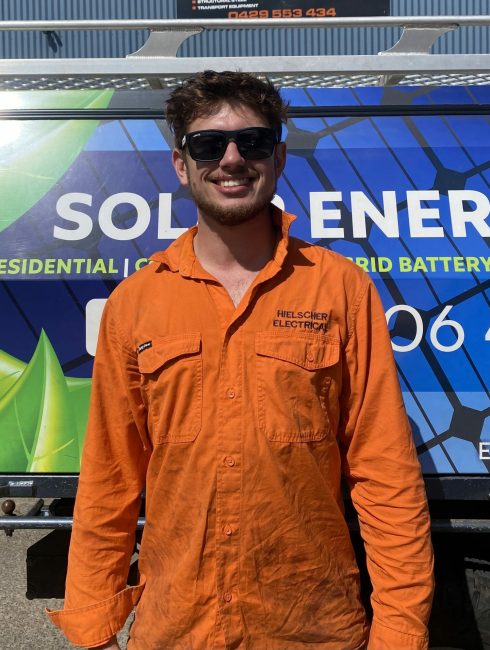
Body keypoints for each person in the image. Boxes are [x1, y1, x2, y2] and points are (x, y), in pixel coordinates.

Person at [48, 70, 434, 650]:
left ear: (278, 157)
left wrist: (400, 634)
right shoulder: (137, 302)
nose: (231, 159)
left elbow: (386, 476)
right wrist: (94, 628)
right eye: (208, 144)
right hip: (177, 629)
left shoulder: (341, 290)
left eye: (251, 142)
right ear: (181, 164)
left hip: (311, 628)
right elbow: (110, 479)